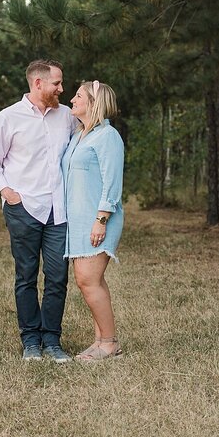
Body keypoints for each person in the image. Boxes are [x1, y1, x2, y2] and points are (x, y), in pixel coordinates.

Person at [0, 59, 76, 363]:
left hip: (59, 211)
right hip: (23, 208)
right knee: (25, 276)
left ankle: (52, 340)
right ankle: (31, 341)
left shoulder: (67, 117)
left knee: (58, 276)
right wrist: (8, 193)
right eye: (57, 83)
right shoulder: (8, 118)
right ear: (38, 83)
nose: (62, 89)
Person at [62, 80, 125, 362]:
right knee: (90, 281)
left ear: (94, 103)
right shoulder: (79, 135)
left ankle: (109, 343)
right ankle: (100, 340)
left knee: (88, 280)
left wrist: (101, 219)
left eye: (78, 96)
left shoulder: (107, 136)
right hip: (76, 219)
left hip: (98, 218)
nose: (72, 99)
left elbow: (112, 183)